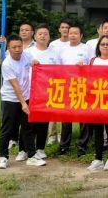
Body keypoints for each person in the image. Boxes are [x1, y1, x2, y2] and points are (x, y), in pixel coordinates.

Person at [0, 35, 45, 169]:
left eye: (19, 46)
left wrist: (35, 62)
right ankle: (2, 157)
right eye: (14, 47)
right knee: (7, 128)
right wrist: (23, 104)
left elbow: (34, 63)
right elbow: (15, 86)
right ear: (9, 49)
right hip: (10, 99)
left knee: (28, 128)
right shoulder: (7, 64)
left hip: (26, 96)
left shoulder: (27, 56)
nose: (17, 49)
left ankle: (31, 156)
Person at [26, 24, 60, 160]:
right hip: (30, 91)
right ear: (35, 36)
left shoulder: (54, 53)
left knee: (43, 122)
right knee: (29, 122)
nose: (43, 36)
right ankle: (27, 149)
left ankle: (40, 148)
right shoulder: (28, 52)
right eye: (40, 34)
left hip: (47, 92)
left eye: (45, 34)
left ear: (49, 37)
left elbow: (59, 72)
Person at [87, 35, 108, 171]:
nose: (105, 46)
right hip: (96, 99)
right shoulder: (93, 61)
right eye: (103, 44)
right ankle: (98, 158)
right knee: (98, 130)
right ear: (98, 46)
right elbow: (87, 78)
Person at [57, 24, 90, 156]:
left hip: (82, 86)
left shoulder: (87, 48)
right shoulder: (62, 49)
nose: (73, 35)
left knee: (83, 118)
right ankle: (64, 146)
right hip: (66, 87)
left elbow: (93, 66)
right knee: (66, 118)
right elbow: (57, 68)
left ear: (81, 35)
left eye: (76, 33)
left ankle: (82, 146)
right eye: (71, 33)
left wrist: (84, 67)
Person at [47, 18, 71, 145]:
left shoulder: (73, 43)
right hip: (55, 79)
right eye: (63, 27)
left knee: (65, 107)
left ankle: (63, 133)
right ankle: (52, 134)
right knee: (54, 106)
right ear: (59, 29)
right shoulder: (53, 44)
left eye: (67, 27)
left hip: (69, 80)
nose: (65, 30)